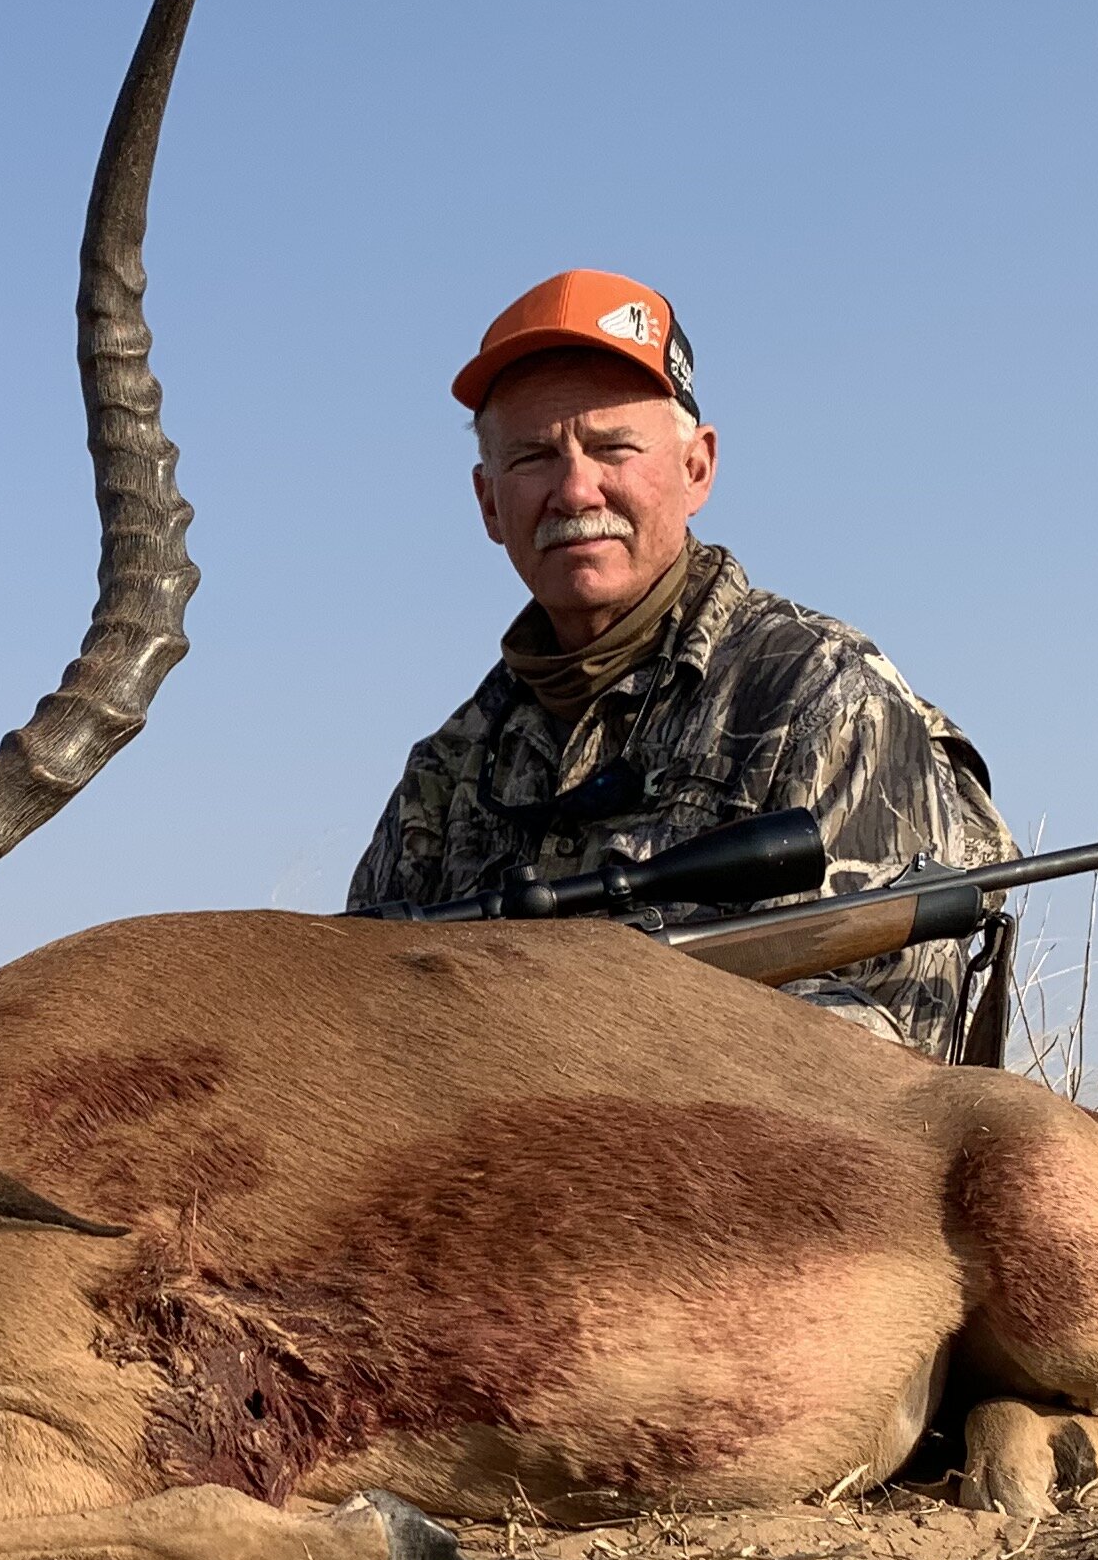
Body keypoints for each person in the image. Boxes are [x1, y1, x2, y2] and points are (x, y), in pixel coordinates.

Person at [345, 271, 1012, 1058]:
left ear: (697, 469)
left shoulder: (827, 697)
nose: (573, 488)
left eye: (611, 448)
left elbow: (882, 1061)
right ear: (489, 503)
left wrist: (592, 1037)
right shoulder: (448, 772)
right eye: (531, 458)